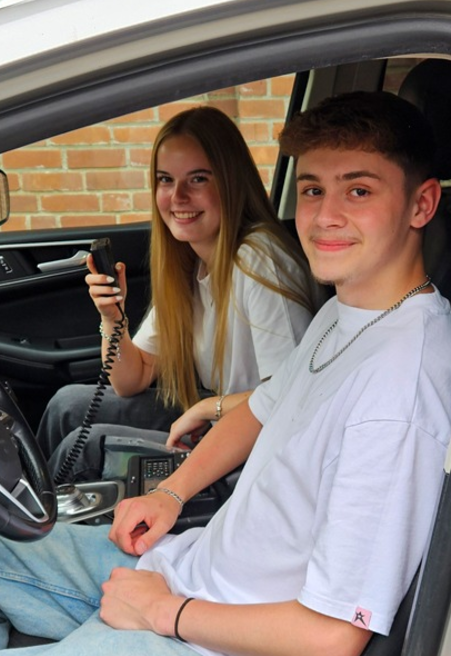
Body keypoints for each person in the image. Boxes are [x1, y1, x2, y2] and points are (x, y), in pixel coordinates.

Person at [0, 90, 451, 656]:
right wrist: (168, 495)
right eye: (311, 190)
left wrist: (165, 612)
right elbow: (261, 410)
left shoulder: (402, 389)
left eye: (359, 191)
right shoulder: (346, 313)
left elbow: (331, 639)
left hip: (213, 650)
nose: (325, 216)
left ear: (421, 204)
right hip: (190, 570)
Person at [38, 106, 317, 482]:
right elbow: (129, 380)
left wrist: (209, 408)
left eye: (198, 179)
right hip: (219, 418)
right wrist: (111, 318)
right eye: (166, 180)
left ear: (231, 182)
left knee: (86, 447)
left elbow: (294, 399)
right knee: (67, 406)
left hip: (256, 447)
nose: (178, 196)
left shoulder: (259, 259)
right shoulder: (192, 262)